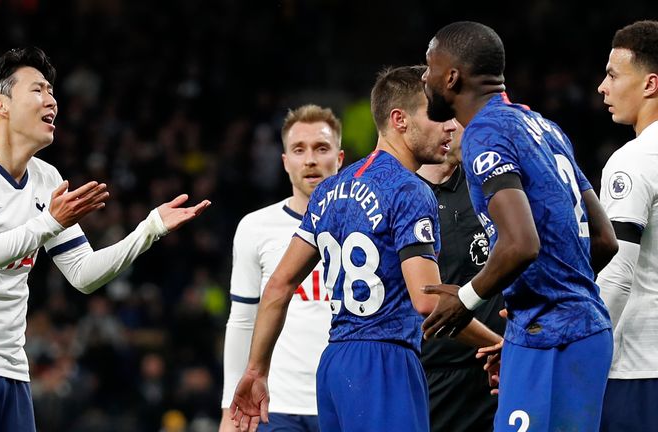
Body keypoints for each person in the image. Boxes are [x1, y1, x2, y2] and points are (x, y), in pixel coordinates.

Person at [0, 47, 210, 432]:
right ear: (0, 104)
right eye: (37, 90)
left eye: (52, 92)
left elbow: (84, 274)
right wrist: (49, 221)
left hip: (11, 370)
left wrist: (149, 229)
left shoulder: (46, 179)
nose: (51, 100)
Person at [230, 65, 502, 432]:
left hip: (334, 365)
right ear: (400, 120)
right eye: (438, 115)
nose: (451, 126)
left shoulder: (329, 190)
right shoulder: (409, 190)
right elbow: (428, 302)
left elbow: (278, 285)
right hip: (385, 361)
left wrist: (256, 371)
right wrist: (499, 343)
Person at [421, 21, 619, 431]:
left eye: (429, 67)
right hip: (578, 333)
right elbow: (604, 240)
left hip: (553, 343)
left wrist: (466, 299)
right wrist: (535, 305)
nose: (425, 78)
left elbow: (521, 244)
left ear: (452, 77)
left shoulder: (484, 134)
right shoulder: (543, 126)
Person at [219, 104, 344, 432]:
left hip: (343, 402)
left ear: (340, 158)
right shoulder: (255, 227)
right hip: (274, 406)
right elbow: (242, 321)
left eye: (321, 148)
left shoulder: (366, 228)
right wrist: (226, 407)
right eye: (299, 150)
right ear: (285, 162)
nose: (311, 160)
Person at [417, 120, 505, 432]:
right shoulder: (400, 197)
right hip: (433, 375)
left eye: (458, 117)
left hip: (497, 375)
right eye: (443, 117)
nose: (455, 125)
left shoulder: (491, 186)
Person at [595, 20, 658, 432]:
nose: (603, 86)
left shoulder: (633, 161)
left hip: (637, 369)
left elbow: (617, 276)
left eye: (614, 75)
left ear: (651, 84)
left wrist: (579, 350)